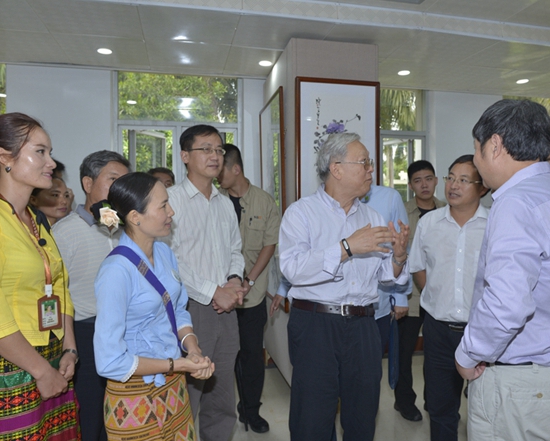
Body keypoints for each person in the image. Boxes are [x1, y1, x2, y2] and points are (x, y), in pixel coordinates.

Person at [279, 132, 410, 441]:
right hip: (315, 324)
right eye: (363, 162)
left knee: (362, 416)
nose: (371, 169)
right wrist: (347, 247)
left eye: (370, 163)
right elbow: (292, 269)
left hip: (364, 325)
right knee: (312, 419)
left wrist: (399, 257)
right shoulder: (301, 213)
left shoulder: (373, 216)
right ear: (336, 168)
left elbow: (385, 276)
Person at [455, 99, 550, 441]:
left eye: (476, 150)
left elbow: (507, 303)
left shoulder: (515, 201)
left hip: (518, 384)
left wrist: (469, 353)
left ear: (494, 145)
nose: (476, 161)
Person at [93, 172, 214, 441]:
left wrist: (192, 349)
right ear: (135, 217)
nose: (171, 212)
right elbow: (110, 361)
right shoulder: (115, 271)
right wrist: (177, 364)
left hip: (174, 388)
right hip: (134, 395)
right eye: (163, 206)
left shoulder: (163, 252)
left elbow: (178, 309)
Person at [0, 113, 79, 440]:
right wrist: (41, 371)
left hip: (53, 359)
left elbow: (60, 285)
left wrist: (69, 348)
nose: (51, 162)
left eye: (49, 152)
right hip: (8, 368)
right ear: (4, 158)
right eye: (40, 152)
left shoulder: (35, 219)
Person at [167, 125, 246, 441]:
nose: (215, 156)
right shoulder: (171, 201)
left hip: (226, 310)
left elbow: (235, 249)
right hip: (189, 310)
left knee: (222, 395)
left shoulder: (224, 202)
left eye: (219, 150)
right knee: (188, 395)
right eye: (206, 149)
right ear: (185, 156)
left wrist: (234, 280)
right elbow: (170, 260)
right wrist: (214, 291)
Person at [53, 150, 130, 441]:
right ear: (88, 183)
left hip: (122, 330)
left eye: (125, 182)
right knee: (90, 414)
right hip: (84, 333)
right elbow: (57, 294)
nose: (121, 188)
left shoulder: (119, 227)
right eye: (113, 180)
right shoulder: (64, 232)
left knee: (118, 413)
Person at [410, 155, 489, 441]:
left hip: (482, 331)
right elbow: (418, 267)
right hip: (438, 331)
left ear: (482, 187)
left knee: (485, 409)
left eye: (463, 180)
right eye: (450, 178)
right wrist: (436, 296)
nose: (453, 186)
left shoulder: (494, 224)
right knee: (441, 408)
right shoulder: (429, 223)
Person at [218, 143, 281, 433]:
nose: (216, 173)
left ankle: (251, 410)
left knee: (252, 356)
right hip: (220, 295)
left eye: (221, 168)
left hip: (252, 296)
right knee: (223, 357)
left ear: (236, 169)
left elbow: (269, 244)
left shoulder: (264, 202)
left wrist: (249, 280)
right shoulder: (214, 202)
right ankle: (222, 413)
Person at [395, 160, 446, 421]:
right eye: (417, 180)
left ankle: (433, 400)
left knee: (437, 355)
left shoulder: (449, 210)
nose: (424, 185)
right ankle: (404, 402)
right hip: (411, 297)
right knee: (404, 354)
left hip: (441, 296)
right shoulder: (402, 213)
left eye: (428, 179)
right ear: (410, 185)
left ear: (436, 180)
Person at [361, 185, 411, 355]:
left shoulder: (389, 197)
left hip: (379, 301)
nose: (368, 172)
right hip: (340, 308)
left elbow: (402, 247)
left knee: (372, 362)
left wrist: (400, 296)